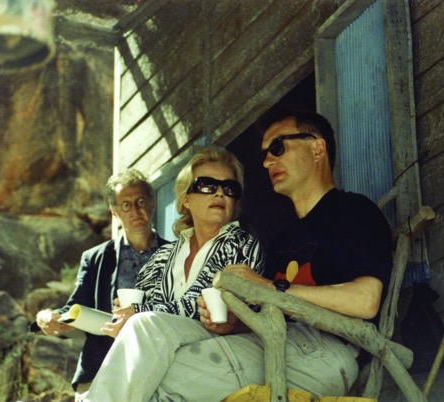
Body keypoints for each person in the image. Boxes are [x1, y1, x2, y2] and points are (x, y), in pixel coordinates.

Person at [84, 110, 393, 401]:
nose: (267, 161)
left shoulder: (352, 211)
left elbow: (365, 301)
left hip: (324, 350)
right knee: (145, 334)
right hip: (272, 342)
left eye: (277, 147)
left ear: (317, 148)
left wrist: (270, 287)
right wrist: (233, 325)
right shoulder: (283, 240)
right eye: (264, 154)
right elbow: (268, 315)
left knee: (151, 377)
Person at [82, 147, 265, 401]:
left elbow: (203, 305)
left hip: (218, 349)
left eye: (229, 187)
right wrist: (125, 315)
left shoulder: (241, 244)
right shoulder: (163, 255)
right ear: (186, 199)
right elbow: (143, 305)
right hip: (169, 352)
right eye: (207, 185)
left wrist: (138, 315)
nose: (220, 193)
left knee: (145, 326)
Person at [34, 168, 168, 396]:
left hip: (158, 370)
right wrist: (47, 316)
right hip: (103, 368)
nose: (135, 211)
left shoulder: (175, 253)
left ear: (152, 203)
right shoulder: (96, 258)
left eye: (140, 202)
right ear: (114, 211)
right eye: (125, 205)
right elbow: (76, 307)